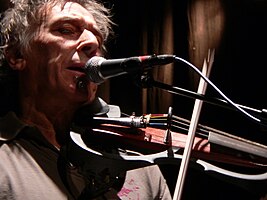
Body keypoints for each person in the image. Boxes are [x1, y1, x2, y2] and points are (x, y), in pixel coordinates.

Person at [0, 0, 172, 199]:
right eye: (66, 30)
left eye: (97, 37)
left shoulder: (137, 165)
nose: (92, 43)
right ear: (17, 55)